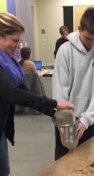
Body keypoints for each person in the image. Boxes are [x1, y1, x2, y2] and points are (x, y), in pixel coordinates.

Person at [0, 12, 74, 176]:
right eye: (15, 40)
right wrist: (55, 104)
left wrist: (54, 113)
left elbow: (23, 89)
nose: (18, 46)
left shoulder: (8, 61)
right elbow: (13, 94)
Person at [52, 7, 94, 160]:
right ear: (79, 29)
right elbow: (60, 88)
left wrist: (86, 120)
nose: (92, 44)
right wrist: (64, 120)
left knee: (87, 162)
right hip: (66, 120)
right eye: (88, 38)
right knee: (63, 162)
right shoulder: (65, 51)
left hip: (89, 120)